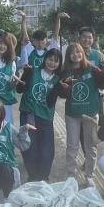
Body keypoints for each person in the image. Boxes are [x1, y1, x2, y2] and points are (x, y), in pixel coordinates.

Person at [59, 43, 104, 187]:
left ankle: (90, 175)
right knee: (72, 146)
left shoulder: (92, 68)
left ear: (82, 53)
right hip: (72, 113)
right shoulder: (66, 71)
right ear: (68, 56)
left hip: (90, 114)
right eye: (72, 53)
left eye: (78, 52)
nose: (76, 55)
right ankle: (71, 175)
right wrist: (65, 88)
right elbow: (61, 93)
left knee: (91, 146)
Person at [16, 48, 67, 181]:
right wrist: (24, 76)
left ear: (59, 64)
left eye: (56, 61)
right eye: (50, 59)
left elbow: (51, 102)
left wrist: (59, 87)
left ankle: (43, 177)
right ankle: (33, 176)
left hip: (46, 117)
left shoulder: (58, 80)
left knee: (47, 150)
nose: (52, 63)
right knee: (29, 146)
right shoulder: (33, 71)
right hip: (29, 113)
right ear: (45, 59)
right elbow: (19, 89)